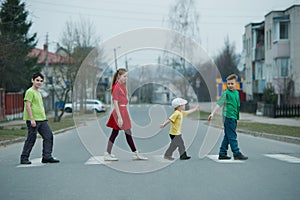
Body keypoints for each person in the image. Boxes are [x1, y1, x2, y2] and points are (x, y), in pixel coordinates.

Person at [104, 68, 148, 161]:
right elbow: (115, 103)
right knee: (116, 133)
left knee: (124, 133)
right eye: (124, 76)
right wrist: (119, 117)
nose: (126, 78)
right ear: (119, 76)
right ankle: (108, 153)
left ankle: (134, 153)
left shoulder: (123, 86)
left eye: (126, 76)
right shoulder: (116, 87)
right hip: (119, 112)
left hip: (124, 111)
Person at [20, 72, 59, 164]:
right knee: (31, 139)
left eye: (41, 81)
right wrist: (32, 119)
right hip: (33, 120)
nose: (39, 82)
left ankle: (47, 157)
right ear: (32, 80)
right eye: (37, 80)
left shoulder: (38, 92)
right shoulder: (30, 92)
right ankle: (24, 158)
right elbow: (28, 106)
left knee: (48, 136)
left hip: (42, 119)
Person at [208, 74, 248, 160]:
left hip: (233, 117)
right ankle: (236, 153)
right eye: (228, 84)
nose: (230, 85)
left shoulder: (236, 93)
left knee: (227, 135)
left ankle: (222, 153)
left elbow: (236, 105)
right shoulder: (226, 93)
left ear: (236, 84)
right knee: (232, 135)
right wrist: (212, 113)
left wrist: (237, 116)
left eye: (232, 83)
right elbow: (219, 104)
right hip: (228, 117)